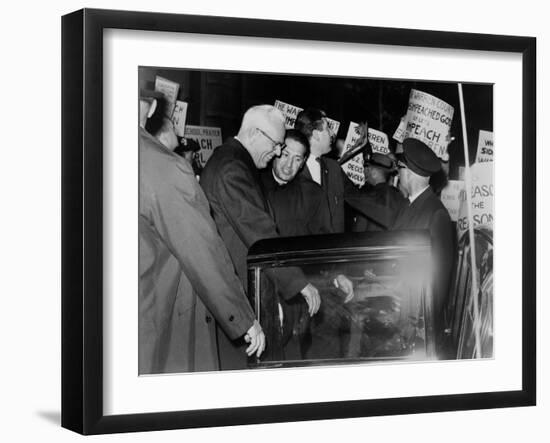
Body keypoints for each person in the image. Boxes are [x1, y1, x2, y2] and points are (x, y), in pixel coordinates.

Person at [138, 90, 265, 374]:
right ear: (151, 108)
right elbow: (202, 251)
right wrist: (244, 318)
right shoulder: (163, 166)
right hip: (155, 324)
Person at [200, 105, 321, 368]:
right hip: (236, 297)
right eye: (277, 145)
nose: (278, 152)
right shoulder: (232, 167)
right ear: (255, 134)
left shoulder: (232, 160)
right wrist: (298, 281)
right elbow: (259, 230)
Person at [391, 137, 455, 356]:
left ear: (407, 172)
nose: (397, 175)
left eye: (399, 169)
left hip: (416, 327)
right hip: (400, 314)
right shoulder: (410, 205)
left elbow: (438, 282)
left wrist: (417, 327)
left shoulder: (435, 214)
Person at [349, 152, 407, 232]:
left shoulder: (369, 195)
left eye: (367, 169)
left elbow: (359, 230)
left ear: (374, 173)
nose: (364, 172)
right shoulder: (398, 196)